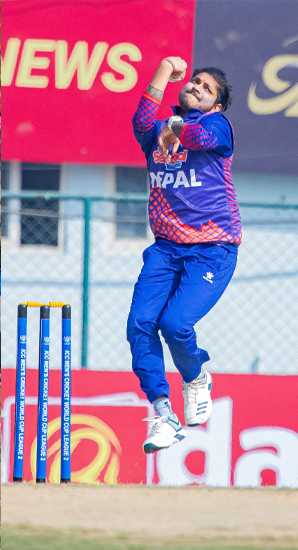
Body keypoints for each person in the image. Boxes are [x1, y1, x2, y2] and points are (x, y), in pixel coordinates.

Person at [128, 56, 234, 453]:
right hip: (166, 249)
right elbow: (142, 119)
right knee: (140, 323)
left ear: (217, 105)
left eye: (206, 88)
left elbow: (196, 139)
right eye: (194, 82)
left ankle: (195, 376)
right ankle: (163, 414)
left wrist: (173, 126)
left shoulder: (218, 126)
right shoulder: (155, 131)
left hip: (212, 248)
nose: (196, 87)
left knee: (174, 323)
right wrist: (161, 73)